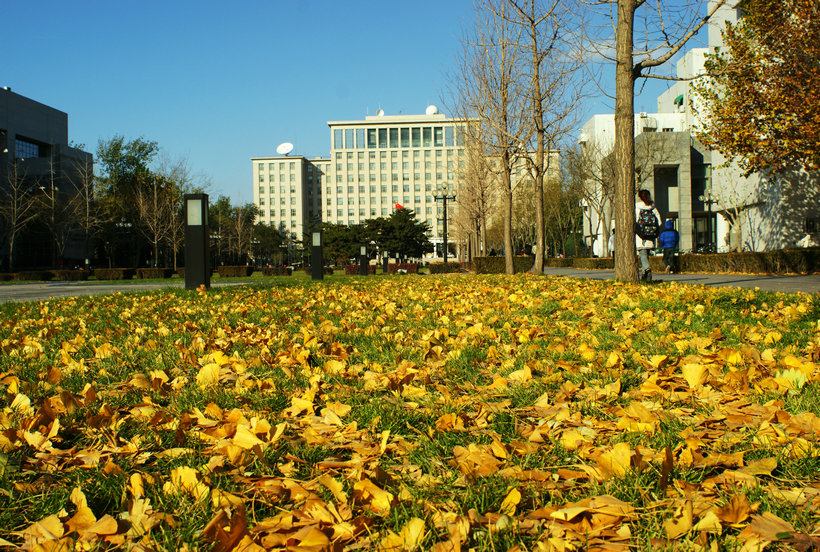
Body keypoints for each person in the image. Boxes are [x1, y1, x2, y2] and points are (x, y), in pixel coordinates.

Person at [635, 189, 662, 281]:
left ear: (640, 197)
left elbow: (635, 221)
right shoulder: (653, 207)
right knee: (645, 255)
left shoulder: (637, 207)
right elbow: (659, 221)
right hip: (651, 236)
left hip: (640, 236)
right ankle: (644, 275)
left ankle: (647, 269)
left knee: (642, 254)